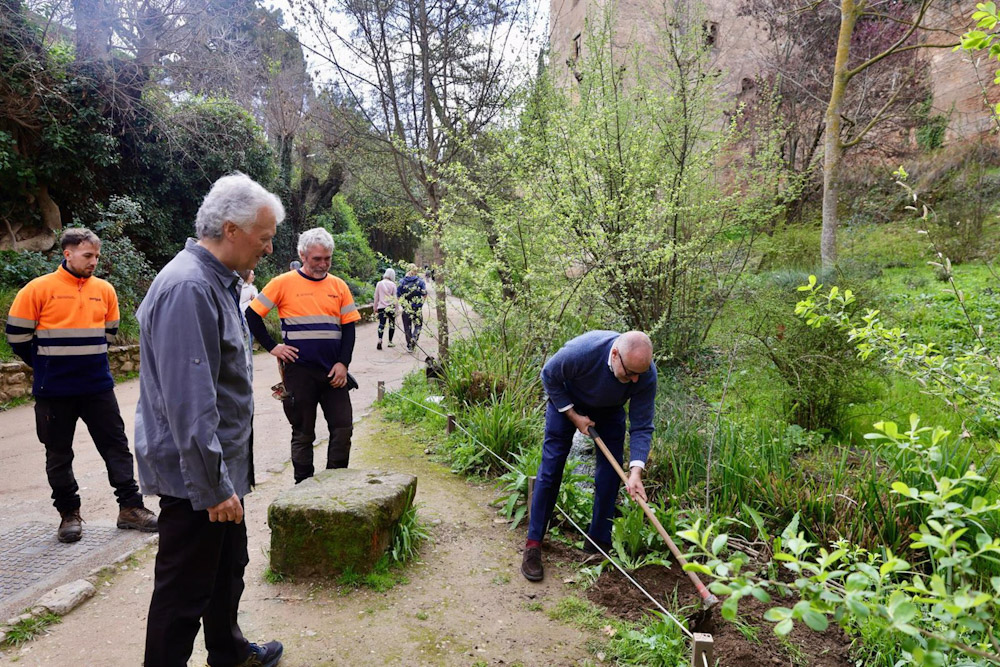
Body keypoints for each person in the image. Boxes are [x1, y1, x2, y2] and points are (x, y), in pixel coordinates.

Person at [135, 173, 284, 667]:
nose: (267, 249)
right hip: (197, 478)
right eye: (264, 238)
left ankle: (230, 651)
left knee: (226, 570)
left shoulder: (219, 283)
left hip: (221, 469)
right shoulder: (188, 287)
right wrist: (215, 486)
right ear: (231, 229)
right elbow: (189, 403)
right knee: (182, 595)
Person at [5, 227, 158, 543]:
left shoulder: (104, 290)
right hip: (54, 391)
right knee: (58, 453)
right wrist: (47, 365)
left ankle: (130, 507)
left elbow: (109, 333)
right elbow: (17, 338)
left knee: (115, 446)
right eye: (88, 255)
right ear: (68, 253)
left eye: (96, 256)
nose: (94, 262)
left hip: (97, 387)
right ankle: (69, 515)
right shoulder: (37, 290)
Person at [521, 330, 657, 582]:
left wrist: (636, 471)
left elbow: (642, 424)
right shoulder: (581, 352)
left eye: (641, 374)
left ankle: (597, 545)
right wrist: (574, 416)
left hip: (610, 412)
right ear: (615, 355)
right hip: (566, 403)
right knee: (551, 471)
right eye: (630, 374)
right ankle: (534, 544)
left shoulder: (643, 372)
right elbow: (549, 376)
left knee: (609, 478)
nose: (636, 380)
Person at [246, 227, 360, 484]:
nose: (323, 264)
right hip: (299, 372)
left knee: (343, 428)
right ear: (302, 255)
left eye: (327, 259)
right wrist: (273, 346)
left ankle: (335, 483)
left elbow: (349, 329)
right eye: (317, 259)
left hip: (334, 372)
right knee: (303, 433)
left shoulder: (339, 286)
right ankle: (303, 486)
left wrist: (343, 363)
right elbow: (252, 315)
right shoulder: (282, 283)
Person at [397, 264, 427, 352]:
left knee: (407, 326)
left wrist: (403, 304)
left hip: (406, 307)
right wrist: (420, 304)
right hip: (417, 308)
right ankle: (414, 338)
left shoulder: (401, 282)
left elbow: (398, 296)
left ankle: (409, 345)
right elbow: (424, 294)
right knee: (418, 325)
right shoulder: (420, 282)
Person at [373, 268, 398, 351]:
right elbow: (395, 298)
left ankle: (380, 339)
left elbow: (376, 296)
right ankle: (390, 341)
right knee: (392, 324)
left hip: (381, 307)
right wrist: (396, 308)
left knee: (381, 324)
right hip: (390, 307)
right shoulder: (393, 285)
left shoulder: (379, 284)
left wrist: (375, 307)